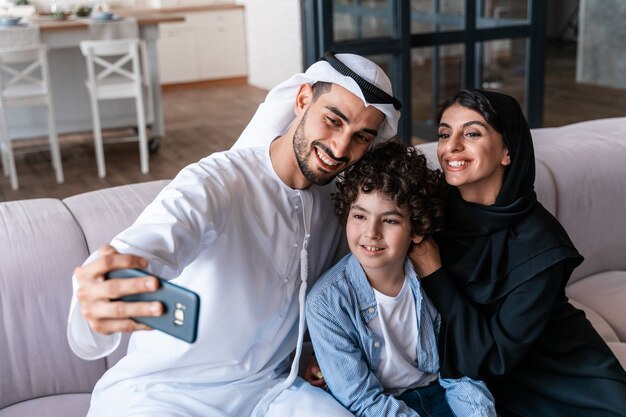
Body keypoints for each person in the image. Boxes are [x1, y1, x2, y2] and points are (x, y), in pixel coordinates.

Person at [66, 51, 401, 417]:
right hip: (163, 393)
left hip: (270, 391)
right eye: (333, 121)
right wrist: (102, 287)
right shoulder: (216, 182)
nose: (340, 148)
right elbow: (148, 244)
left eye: (360, 137)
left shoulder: (341, 206)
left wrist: (318, 352)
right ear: (303, 99)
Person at [409, 89, 626, 417]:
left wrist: (434, 272)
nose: (451, 147)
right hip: (480, 384)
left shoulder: (541, 243)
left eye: (471, 133)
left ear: (507, 150)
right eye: (443, 134)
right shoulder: (429, 212)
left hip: (566, 382)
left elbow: (492, 360)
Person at [305, 140, 497, 417]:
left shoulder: (433, 279)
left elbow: (461, 371)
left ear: (417, 230)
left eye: (390, 220)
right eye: (359, 215)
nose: (371, 233)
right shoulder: (326, 303)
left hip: (441, 392)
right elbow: (362, 399)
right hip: (378, 406)